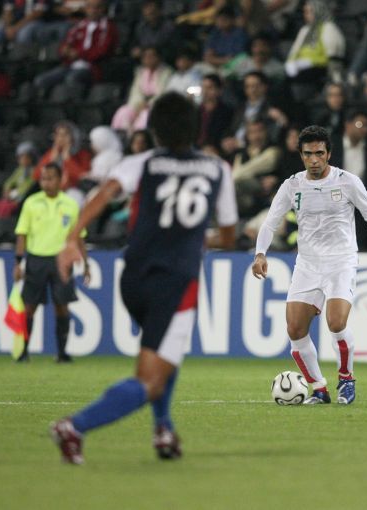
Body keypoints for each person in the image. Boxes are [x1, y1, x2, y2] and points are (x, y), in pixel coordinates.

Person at [50, 92, 238, 464]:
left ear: (154, 131)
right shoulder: (217, 169)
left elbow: (104, 193)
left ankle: (163, 428)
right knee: (151, 379)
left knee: (166, 354)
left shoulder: (143, 162)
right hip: (176, 283)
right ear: (197, 129)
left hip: (134, 280)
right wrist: (198, 236)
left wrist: (72, 238)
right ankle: (74, 426)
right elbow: (229, 238)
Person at [251, 125, 367, 405]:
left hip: (341, 261)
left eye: (319, 153)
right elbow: (270, 221)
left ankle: (346, 379)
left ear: (329, 153)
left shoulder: (347, 182)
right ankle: (319, 389)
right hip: (307, 264)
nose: (314, 160)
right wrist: (260, 254)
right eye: (308, 154)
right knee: (295, 330)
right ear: (301, 155)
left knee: (336, 322)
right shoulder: (292, 185)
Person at [14, 162, 90, 363]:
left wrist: (86, 264)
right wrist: (18, 262)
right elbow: (22, 234)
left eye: (50, 178)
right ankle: (24, 352)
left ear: (60, 179)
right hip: (36, 259)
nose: (46, 183)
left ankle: (62, 353)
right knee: (29, 307)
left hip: (61, 261)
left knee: (62, 306)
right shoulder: (31, 203)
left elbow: (79, 237)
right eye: (43, 179)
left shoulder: (71, 204)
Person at [0, 142, 38, 232]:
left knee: (5, 206)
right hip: (10, 200)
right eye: (19, 157)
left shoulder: (35, 172)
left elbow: (26, 189)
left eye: (23, 157)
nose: (20, 159)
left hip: (19, 202)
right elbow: (7, 183)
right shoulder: (19, 170)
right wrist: (7, 191)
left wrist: (11, 195)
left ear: (31, 158)